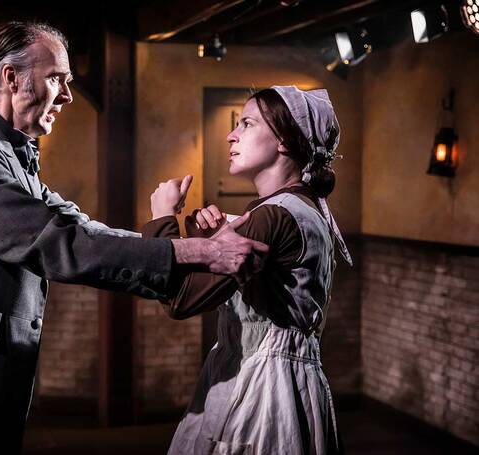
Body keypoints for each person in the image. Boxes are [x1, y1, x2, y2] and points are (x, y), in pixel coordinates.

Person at [0, 21, 267, 455]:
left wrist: (190, 261)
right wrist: (198, 251)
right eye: (57, 78)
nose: (68, 95)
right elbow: (58, 244)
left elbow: (83, 229)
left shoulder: (11, 154)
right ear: (11, 78)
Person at [146, 86, 353, 454]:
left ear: (285, 142)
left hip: (259, 391)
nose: (231, 134)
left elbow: (180, 302)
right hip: (293, 386)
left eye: (246, 123)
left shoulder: (273, 216)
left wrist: (163, 219)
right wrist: (213, 242)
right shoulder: (302, 209)